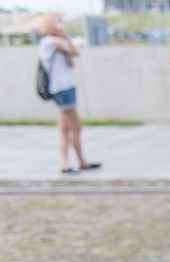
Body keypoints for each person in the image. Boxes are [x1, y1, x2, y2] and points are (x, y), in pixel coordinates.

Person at [37, 13, 101, 175]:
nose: (61, 25)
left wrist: (65, 42)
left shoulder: (52, 43)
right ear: (50, 25)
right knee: (76, 127)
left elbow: (71, 62)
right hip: (63, 90)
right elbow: (75, 52)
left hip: (64, 89)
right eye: (58, 22)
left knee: (65, 129)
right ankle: (81, 162)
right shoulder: (50, 42)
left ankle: (65, 164)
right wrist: (65, 36)